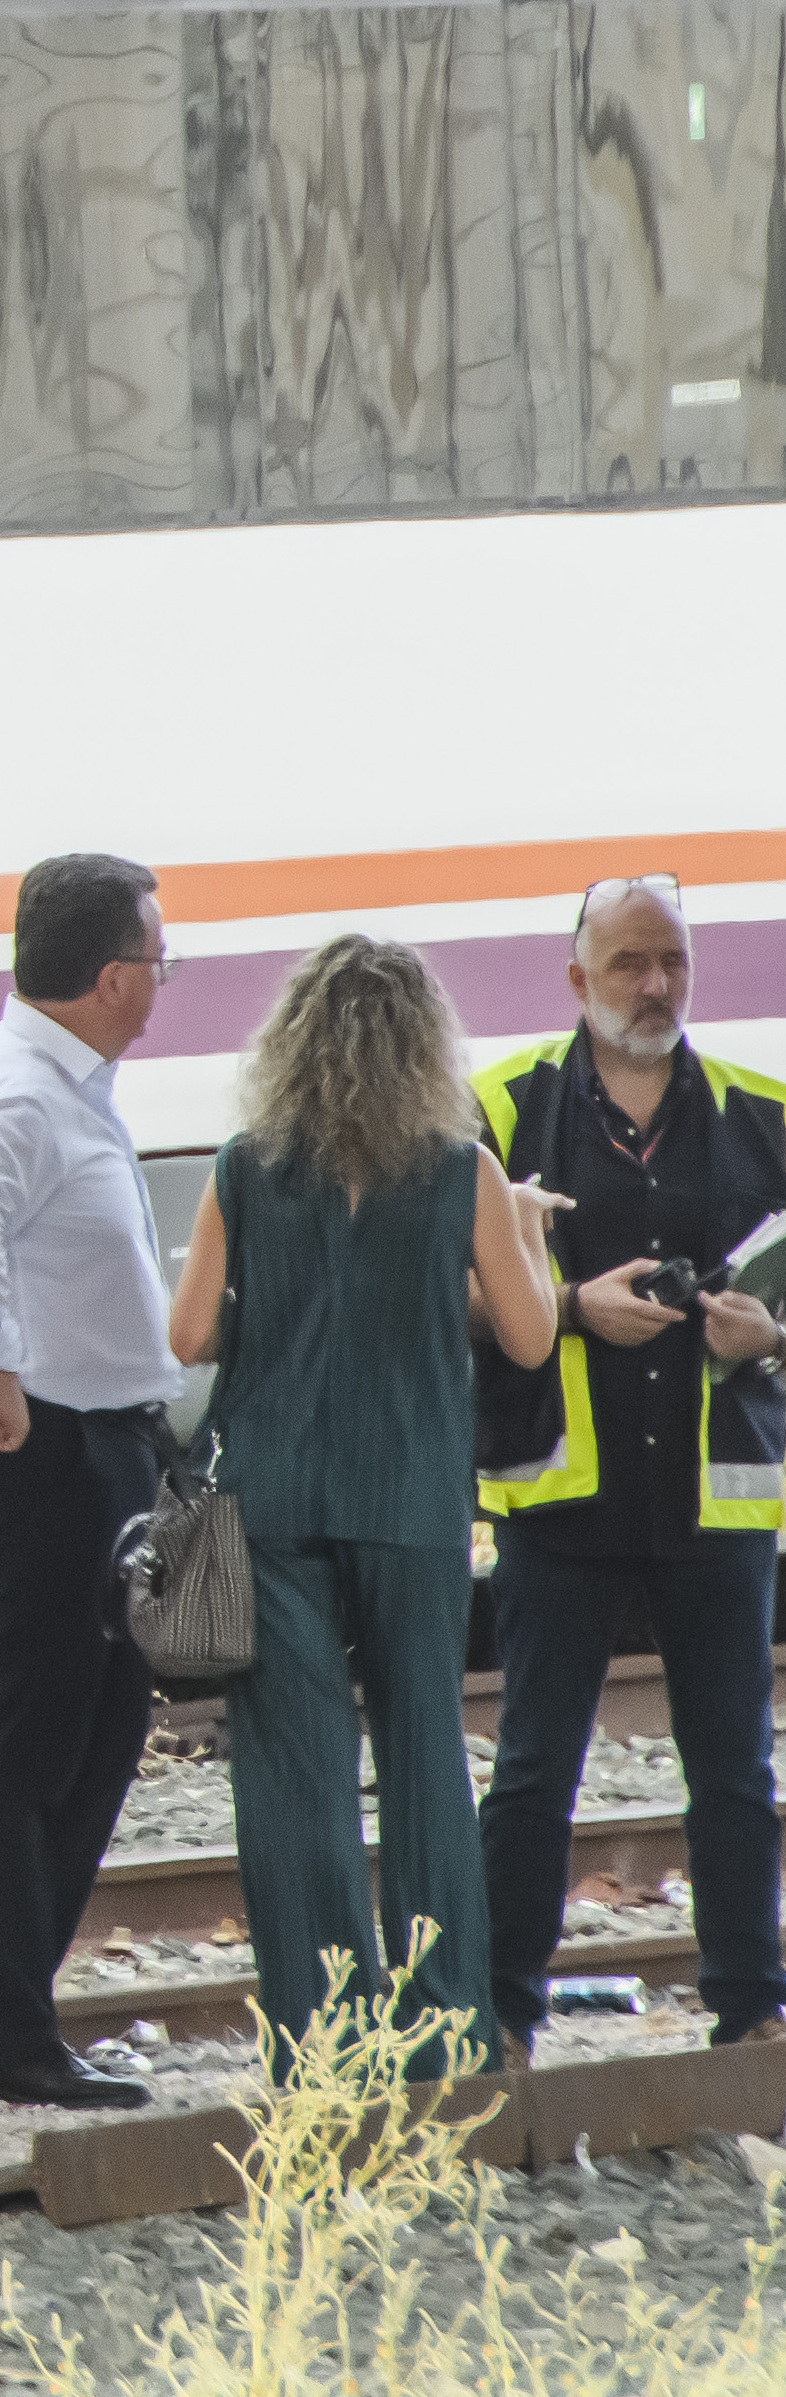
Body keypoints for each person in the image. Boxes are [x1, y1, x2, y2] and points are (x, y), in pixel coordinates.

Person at [168, 934, 560, 2070]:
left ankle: (322, 2040)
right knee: (427, 1751)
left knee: (297, 1773)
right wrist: (524, 1231)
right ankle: (442, 2024)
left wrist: (273, 1320)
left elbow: (187, 1335)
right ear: (424, 1045)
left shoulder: (247, 1165)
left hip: (273, 1496)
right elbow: (531, 1338)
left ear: (292, 1044)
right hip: (412, 1494)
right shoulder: (462, 1169)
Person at [475, 874, 786, 2055]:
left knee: (736, 1773)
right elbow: (438, 1290)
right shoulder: (500, 1114)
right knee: (534, 1767)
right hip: (566, 1493)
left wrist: (773, 1336)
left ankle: (753, 2011)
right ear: (577, 979)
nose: (655, 986)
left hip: (721, 1494)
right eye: (628, 964)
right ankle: (505, 2012)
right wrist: (565, 1306)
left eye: (673, 962)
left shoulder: (764, 1111)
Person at [0, 851, 185, 2113]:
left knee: (95, 1725)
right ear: (116, 977)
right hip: (49, 1444)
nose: (165, 978)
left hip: (87, 1439)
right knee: (38, 1738)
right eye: (159, 959)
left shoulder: (45, 1072)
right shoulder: (26, 1090)